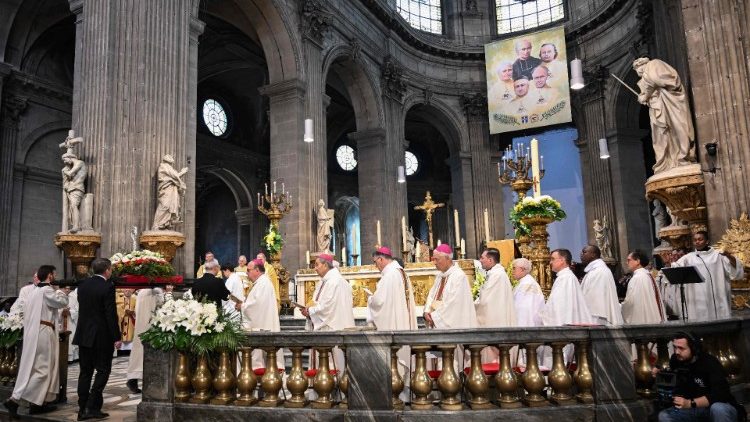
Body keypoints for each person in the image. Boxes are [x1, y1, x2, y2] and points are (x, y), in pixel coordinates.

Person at [4, 265, 68, 417]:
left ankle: (37, 403)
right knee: (42, 370)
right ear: (50, 276)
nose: (55, 276)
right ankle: (15, 400)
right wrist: (60, 290)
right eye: (54, 274)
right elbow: (62, 302)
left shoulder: (34, 291)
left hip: (37, 332)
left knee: (36, 368)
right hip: (44, 332)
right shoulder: (46, 290)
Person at [655, 332, 742, 422]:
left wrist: (690, 403)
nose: (677, 352)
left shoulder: (709, 362)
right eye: (675, 347)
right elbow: (674, 382)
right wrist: (660, 374)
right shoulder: (676, 360)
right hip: (693, 409)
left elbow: (720, 395)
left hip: (715, 406)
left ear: (694, 348)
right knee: (664, 416)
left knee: (718, 409)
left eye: (681, 348)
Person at [73, 258, 121, 421]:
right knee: (103, 370)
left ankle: (82, 409)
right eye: (111, 269)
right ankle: (91, 406)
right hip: (101, 336)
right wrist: (117, 337)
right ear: (107, 270)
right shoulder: (107, 286)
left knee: (85, 372)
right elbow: (110, 314)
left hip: (83, 333)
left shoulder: (83, 285)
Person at [367, 247, 417, 400]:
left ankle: (394, 395)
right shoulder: (401, 272)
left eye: (376, 262)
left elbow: (379, 302)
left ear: (382, 259)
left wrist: (370, 299)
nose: (376, 266)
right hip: (402, 322)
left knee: (394, 360)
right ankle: (402, 394)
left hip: (394, 324)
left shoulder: (389, 275)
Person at [632, 57, 696, 174]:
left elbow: (654, 80)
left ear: (643, 65)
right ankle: (668, 162)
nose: (641, 74)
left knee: (678, 128)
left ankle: (682, 157)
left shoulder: (654, 64)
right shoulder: (649, 73)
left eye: (641, 71)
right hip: (659, 108)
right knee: (661, 137)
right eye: (639, 74)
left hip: (671, 104)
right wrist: (648, 97)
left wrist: (645, 96)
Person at [424, 244, 477, 372]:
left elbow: (454, 304)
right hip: (437, 324)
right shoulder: (440, 276)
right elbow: (431, 296)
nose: (434, 263)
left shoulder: (458, 276)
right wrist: (427, 311)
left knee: (450, 365)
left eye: (437, 259)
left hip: (450, 326)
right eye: (433, 259)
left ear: (448, 259)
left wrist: (434, 316)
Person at [671, 231, 743, 321]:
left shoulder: (718, 255)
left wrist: (729, 256)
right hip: (697, 297)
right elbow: (675, 269)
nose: (697, 242)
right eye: (695, 240)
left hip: (717, 294)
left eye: (700, 239)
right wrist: (672, 263)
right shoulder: (688, 257)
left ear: (707, 241)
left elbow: (735, 270)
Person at [301, 254, 354, 374]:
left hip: (330, 329)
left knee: (330, 365)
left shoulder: (333, 282)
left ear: (325, 265)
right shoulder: (334, 280)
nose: (315, 268)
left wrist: (309, 311)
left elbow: (326, 308)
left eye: (317, 265)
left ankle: (328, 390)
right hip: (337, 326)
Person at [539, 249, 594, 363]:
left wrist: (543, 315)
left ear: (562, 260)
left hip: (562, 329)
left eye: (553, 259)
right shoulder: (565, 277)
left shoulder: (565, 278)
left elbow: (560, 308)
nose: (550, 262)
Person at [236, 259, 284, 370]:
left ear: (257, 270)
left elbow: (257, 306)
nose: (247, 273)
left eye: (249, 270)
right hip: (263, 324)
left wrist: (242, 306)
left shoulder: (263, 283)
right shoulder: (261, 283)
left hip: (261, 327)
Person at [126, 285, 170, 394]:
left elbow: (136, 311)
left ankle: (132, 379)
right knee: (149, 353)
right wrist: (168, 293)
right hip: (150, 326)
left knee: (137, 352)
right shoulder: (156, 292)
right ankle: (152, 380)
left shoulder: (140, 292)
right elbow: (164, 306)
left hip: (140, 326)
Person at [475, 248, 516, 363]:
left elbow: (486, 301)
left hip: (495, 319)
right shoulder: (496, 273)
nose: (480, 260)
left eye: (482, 258)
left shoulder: (497, 275)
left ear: (490, 260)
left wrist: (473, 307)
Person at [511, 258, 545, 367]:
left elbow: (524, 310)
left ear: (522, 269)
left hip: (526, 329)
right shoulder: (524, 283)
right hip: (527, 328)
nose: (512, 271)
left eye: (514, 268)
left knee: (527, 362)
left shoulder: (528, 284)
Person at [580, 245, 623, 326]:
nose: (581, 254)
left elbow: (595, 300)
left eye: (584, 252)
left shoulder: (599, 271)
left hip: (598, 319)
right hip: (594, 318)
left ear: (593, 254)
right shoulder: (593, 271)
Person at [621, 250, 666, 324]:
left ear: (638, 261)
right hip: (653, 316)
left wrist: (620, 307)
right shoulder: (647, 275)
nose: (627, 263)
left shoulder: (637, 278)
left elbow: (630, 302)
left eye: (629, 260)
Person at [151, 154, 188, 231]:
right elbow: (175, 177)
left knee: (171, 206)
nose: (172, 158)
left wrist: (181, 173)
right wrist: (182, 172)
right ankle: (157, 225)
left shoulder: (170, 168)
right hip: (166, 189)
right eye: (169, 157)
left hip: (172, 189)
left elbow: (174, 177)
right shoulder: (163, 166)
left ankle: (165, 224)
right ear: (166, 159)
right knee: (165, 205)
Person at [62, 152, 87, 233]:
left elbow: (70, 173)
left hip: (77, 188)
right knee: (72, 208)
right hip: (72, 188)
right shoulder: (75, 165)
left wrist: (64, 171)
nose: (65, 162)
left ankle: (77, 226)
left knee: (74, 205)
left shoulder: (80, 163)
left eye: (65, 160)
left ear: (69, 157)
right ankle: (75, 225)